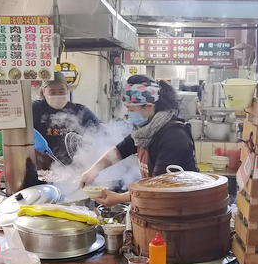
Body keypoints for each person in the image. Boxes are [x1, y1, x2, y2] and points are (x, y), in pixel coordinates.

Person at [80, 74, 197, 205]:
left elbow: (157, 186)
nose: (129, 114)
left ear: (149, 106)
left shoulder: (174, 136)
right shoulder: (144, 130)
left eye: (132, 110)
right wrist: (93, 170)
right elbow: (119, 151)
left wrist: (118, 198)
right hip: (157, 204)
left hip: (181, 209)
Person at [33, 71, 101, 165]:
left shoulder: (80, 111)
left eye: (61, 91)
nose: (57, 95)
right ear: (44, 91)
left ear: (67, 89)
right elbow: (18, 122)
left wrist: (101, 142)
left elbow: (100, 129)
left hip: (76, 167)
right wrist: (33, 135)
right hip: (43, 167)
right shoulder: (36, 108)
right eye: (52, 92)